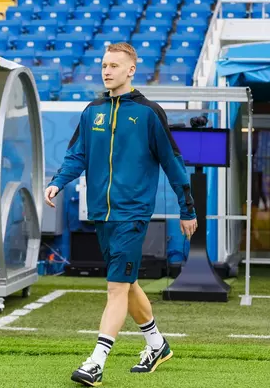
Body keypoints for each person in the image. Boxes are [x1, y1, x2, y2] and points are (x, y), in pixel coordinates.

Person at [44, 42, 198, 387]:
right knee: (127, 283)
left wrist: (186, 208)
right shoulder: (92, 111)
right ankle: (157, 345)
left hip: (133, 214)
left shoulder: (149, 113)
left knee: (116, 287)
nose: (107, 71)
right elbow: (76, 155)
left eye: (114, 65)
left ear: (131, 70)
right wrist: (57, 182)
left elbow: (173, 162)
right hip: (102, 214)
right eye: (103, 65)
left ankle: (96, 363)